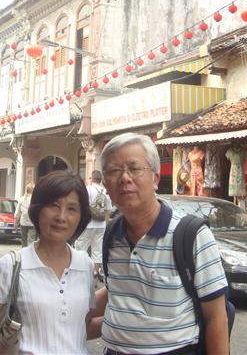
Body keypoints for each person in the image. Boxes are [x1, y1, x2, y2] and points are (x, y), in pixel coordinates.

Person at [89, 133, 229, 355]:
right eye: (114, 171)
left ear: (155, 178)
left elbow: (216, 317)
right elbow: (118, 290)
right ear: (105, 183)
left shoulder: (192, 235)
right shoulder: (112, 234)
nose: (124, 178)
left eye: (135, 168)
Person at [0, 171, 96, 354]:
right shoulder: (11, 266)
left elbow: (81, 327)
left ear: (81, 217)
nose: (61, 217)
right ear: (37, 210)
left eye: (72, 209)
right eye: (54, 205)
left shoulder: (85, 265)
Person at [75, 170, 112, 279]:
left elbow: (82, 205)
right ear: (100, 180)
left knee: (81, 247)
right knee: (98, 249)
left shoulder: (88, 189)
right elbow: (108, 210)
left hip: (88, 224)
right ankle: (95, 271)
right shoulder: (105, 192)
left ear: (92, 178)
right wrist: (106, 225)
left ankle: (80, 269)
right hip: (101, 225)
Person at [15, 182, 37, 247]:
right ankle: (30, 252)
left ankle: (24, 251)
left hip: (23, 222)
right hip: (32, 223)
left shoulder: (22, 199)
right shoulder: (35, 199)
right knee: (31, 240)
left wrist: (16, 223)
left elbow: (18, 213)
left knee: (23, 241)